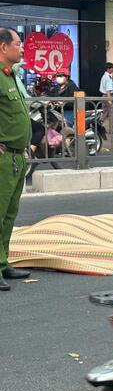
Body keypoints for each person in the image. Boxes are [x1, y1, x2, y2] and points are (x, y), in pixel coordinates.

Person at [0, 27, 31, 291]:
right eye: (19, 43)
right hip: (2, 157)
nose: (22, 48)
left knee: (9, 213)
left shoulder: (11, 76)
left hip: (16, 157)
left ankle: (3, 262)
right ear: (3, 47)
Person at [99, 62, 113, 133]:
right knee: (112, 113)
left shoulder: (104, 76)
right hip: (109, 96)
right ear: (108, 69)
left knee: (105, 113)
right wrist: (109, 99)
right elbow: (108, 90)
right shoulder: (108, 77)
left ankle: (98, 126)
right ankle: (112, 129)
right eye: (112, 68)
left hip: (104, 96)